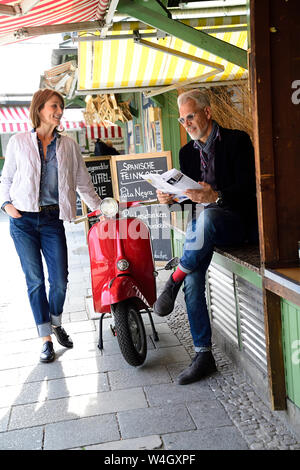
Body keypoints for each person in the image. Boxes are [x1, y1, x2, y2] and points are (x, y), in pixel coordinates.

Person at [153, 89, 258, 385]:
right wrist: (172, 198)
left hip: (236, 225)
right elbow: (190, 196)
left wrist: (217, 194)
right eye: (183, 120)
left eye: (191, 117)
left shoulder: (238, 141)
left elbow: (250, 190)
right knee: (193, 279)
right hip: (201, 233)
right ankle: (203, 355)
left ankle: (172, 278)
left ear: (207, 113)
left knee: (210, 215)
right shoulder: (187, 153)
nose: (188, 124)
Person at [0, 89, 101, 363]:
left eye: (61, 106)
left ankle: (55, 321)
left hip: (52, 219)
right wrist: (6, 205)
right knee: (34, 281)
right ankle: (45, 339)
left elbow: (82, 182)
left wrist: (102, 209)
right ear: (40, 108)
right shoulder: (18, 142)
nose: (59, 110)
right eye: (54, 105)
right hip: (22, 220)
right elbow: (6, 179)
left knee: (60, 279)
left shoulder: (68, 145)